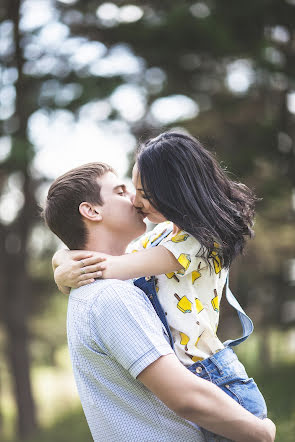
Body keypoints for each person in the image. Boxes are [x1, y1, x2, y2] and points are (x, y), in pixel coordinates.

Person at [46, 161, 276, 441]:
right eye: (120, 191)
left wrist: (63, 261)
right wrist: (261, 433)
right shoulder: (111, 297)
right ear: (91, 210)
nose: (133, 198)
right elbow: (185, 397)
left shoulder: (101, 286)